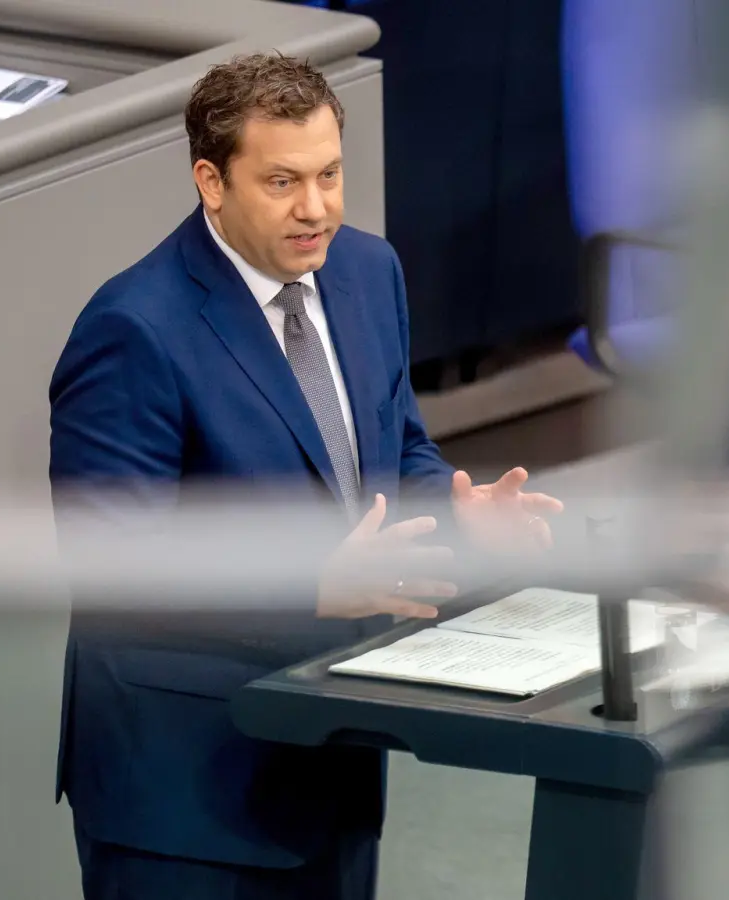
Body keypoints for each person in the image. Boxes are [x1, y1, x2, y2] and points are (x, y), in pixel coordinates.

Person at [49, 53, 559, 900]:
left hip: (333, 762)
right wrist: (309, 587)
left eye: (329, 175)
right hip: (182, 799)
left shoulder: (368, 272)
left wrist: (463, 520)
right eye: (282, 182)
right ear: (211, 181)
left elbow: (394, 454)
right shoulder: (132, 330)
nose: (315, 208)